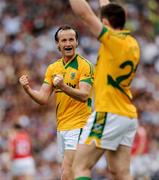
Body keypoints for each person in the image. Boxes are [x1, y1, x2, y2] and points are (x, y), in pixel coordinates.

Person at [69, 0, 140, 180]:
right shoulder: (132, 43)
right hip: (127, 116)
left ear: (106, 23)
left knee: (80, 167)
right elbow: (105, 13)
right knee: (120, 173)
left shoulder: (112, 41)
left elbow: (85, 15)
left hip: (108, 112)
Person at [19, 25, 94, 180]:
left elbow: (84, 95)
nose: (68, 43)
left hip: (80, 124)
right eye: (64, 40)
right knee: (72, 173)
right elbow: (43, 98)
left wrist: (62, 86)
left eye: (71, 39)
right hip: (62, 127)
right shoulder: (53, 68)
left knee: (67, 171)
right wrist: (27, 89)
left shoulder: (84, 65)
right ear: (57, 44)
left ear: (77, 42)